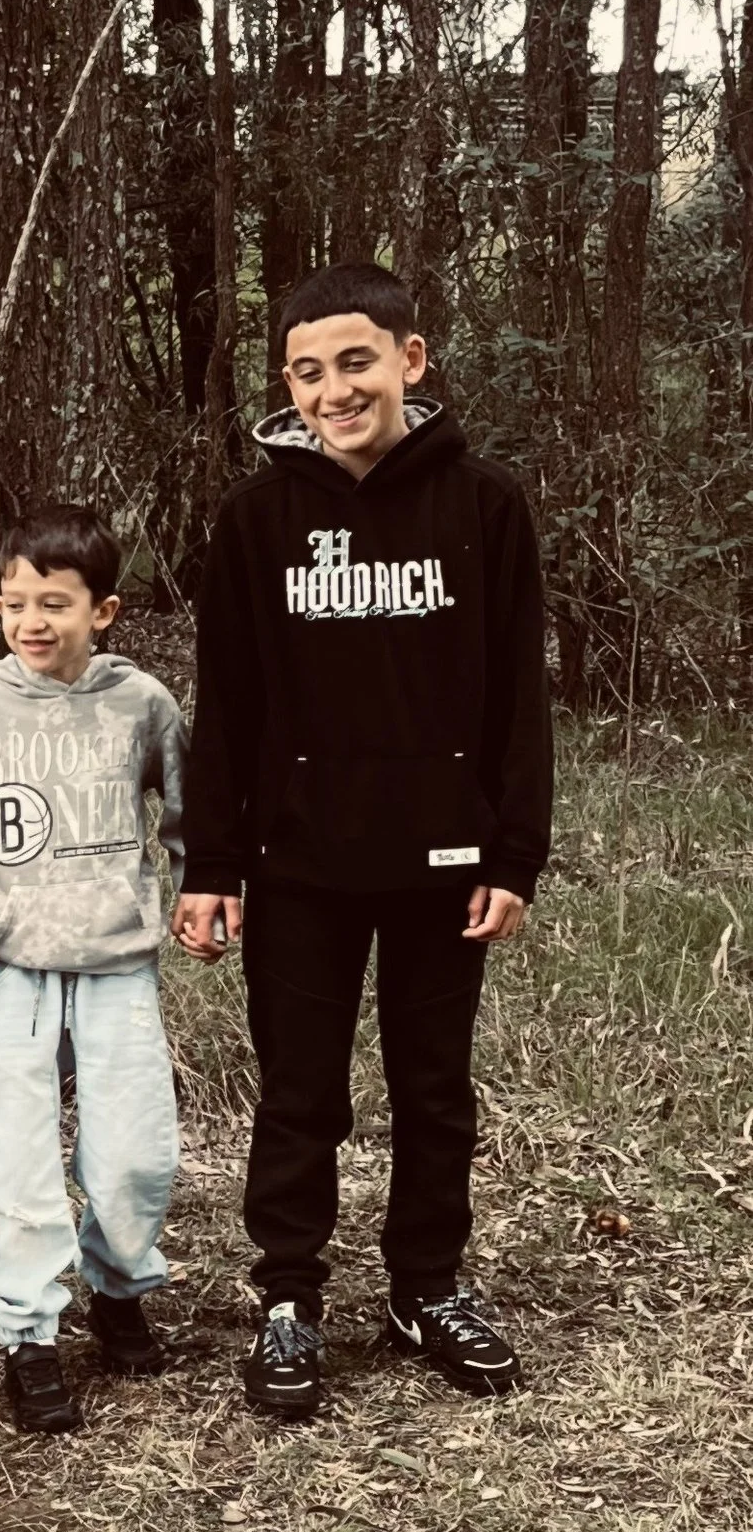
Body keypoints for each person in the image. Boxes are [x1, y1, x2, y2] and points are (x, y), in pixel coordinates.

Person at [174, 261, 551, 1421]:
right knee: (300, 1091)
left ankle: (425, 1287)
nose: (332, 391)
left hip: (442, 862)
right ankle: (288, 1300)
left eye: (353, 362)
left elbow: (515, 702)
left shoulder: (484, 506)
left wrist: (511, 856)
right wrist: (212, 864)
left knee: (433, 1089)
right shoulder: (254, 520)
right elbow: (226, 703)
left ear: (409, 362)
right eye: (305, 372)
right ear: (284, 388)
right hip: (298, 865)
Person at [0, 506, 188, 1434]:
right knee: (17, 1153)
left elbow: (190, 816)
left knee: (134, 1151)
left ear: (105, 611)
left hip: (115, 957)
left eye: (54, 604)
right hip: (10, 962)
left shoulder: (144, 705)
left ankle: (121, 1286)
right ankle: (28, 1333)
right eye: (15, 604)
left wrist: (201, 892)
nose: (32, 623)